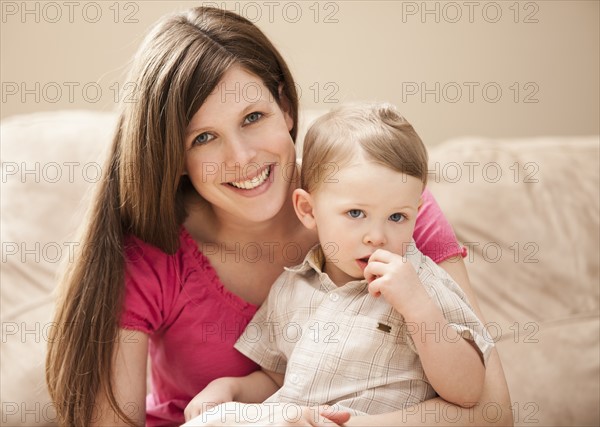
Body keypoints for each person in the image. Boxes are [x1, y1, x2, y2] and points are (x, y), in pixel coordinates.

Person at [45, 6, 512, 427]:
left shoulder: (388, 212)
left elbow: (492, 412)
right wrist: (230, 400)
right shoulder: (153, 254)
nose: (242, 157)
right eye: (203, 138)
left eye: (252, 117)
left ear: (285, 106)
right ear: (173, 155)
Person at [183, 103, 494, 422]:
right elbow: (277, 380)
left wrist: (418, 310)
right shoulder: (292, 288)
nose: (377, 236)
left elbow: (468, 392)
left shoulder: (422, 284)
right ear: (307, 210)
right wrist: (229, 390)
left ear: (416, 211)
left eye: (397, 217)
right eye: (356, 214)